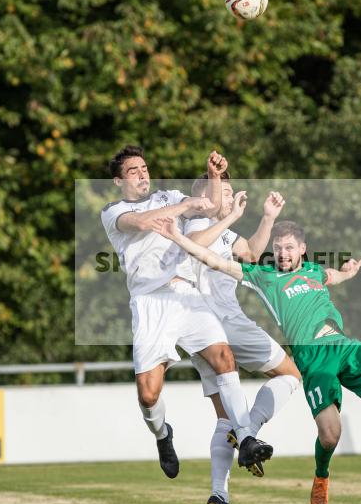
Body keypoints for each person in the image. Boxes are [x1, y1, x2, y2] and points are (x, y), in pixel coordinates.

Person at [152, 215, 361, 504]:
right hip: (312, 358)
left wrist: (347, 273)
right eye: (278, 248)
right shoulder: (265, 275)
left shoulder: (313, 271)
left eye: (289, 248)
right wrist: (178, 238)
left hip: (342, 345)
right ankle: (321, 474)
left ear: (302, 249)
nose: (282, 253)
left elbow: (330, 275)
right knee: (331, 435)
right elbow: (216, 261)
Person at [99, 145, 272, 481]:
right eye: (133, 171)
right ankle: (163, 435)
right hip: (150, 303)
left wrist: (213, 175)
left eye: (145, 168)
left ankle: (247, 437)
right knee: (149, 395)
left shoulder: (169, 196)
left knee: (223, 357)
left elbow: (213, 206)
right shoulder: (113, 210)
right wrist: (187, 204)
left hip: (186, 296)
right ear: (119, 181)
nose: (142, 174)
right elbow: (145, 222)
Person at [183, 173, 302, 504]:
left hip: (200, 331)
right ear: (204, 196)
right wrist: (230, 216)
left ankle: (220, 493)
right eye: (223, 189)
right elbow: (191, 243)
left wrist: (266, 217)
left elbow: (250, 253)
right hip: (222, 321)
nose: (230, 194)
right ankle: (248, 433)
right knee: (291, 374)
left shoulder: (220, 228)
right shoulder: (198, 222)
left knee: (224, 417)